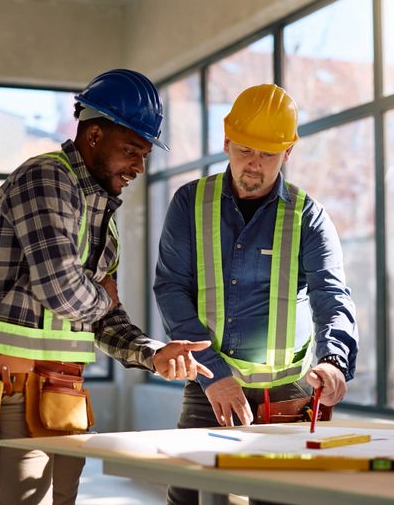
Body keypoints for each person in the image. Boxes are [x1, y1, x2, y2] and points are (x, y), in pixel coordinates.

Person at [0, 68, 213, 505]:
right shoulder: (46, 179)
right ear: (92, 136)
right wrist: (101, 293)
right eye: (131, 151)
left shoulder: (102, 216)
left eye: (145, 155)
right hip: (8, 393)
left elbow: (103, 317)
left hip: (61, 395)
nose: (139, 168)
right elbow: (61, 290)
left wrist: (153, 353)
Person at [153, 83, 359, 505]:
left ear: (288, 152)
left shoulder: (308, 217)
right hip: (209, 383)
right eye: (245, 149)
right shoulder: (189, 204)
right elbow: (171, 288)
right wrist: (214, 372)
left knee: (279, 498)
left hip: (287, 391)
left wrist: (336, 361)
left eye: (268, 154)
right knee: (189, 496)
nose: (254, 164)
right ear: (227, 141)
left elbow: (331, 294)